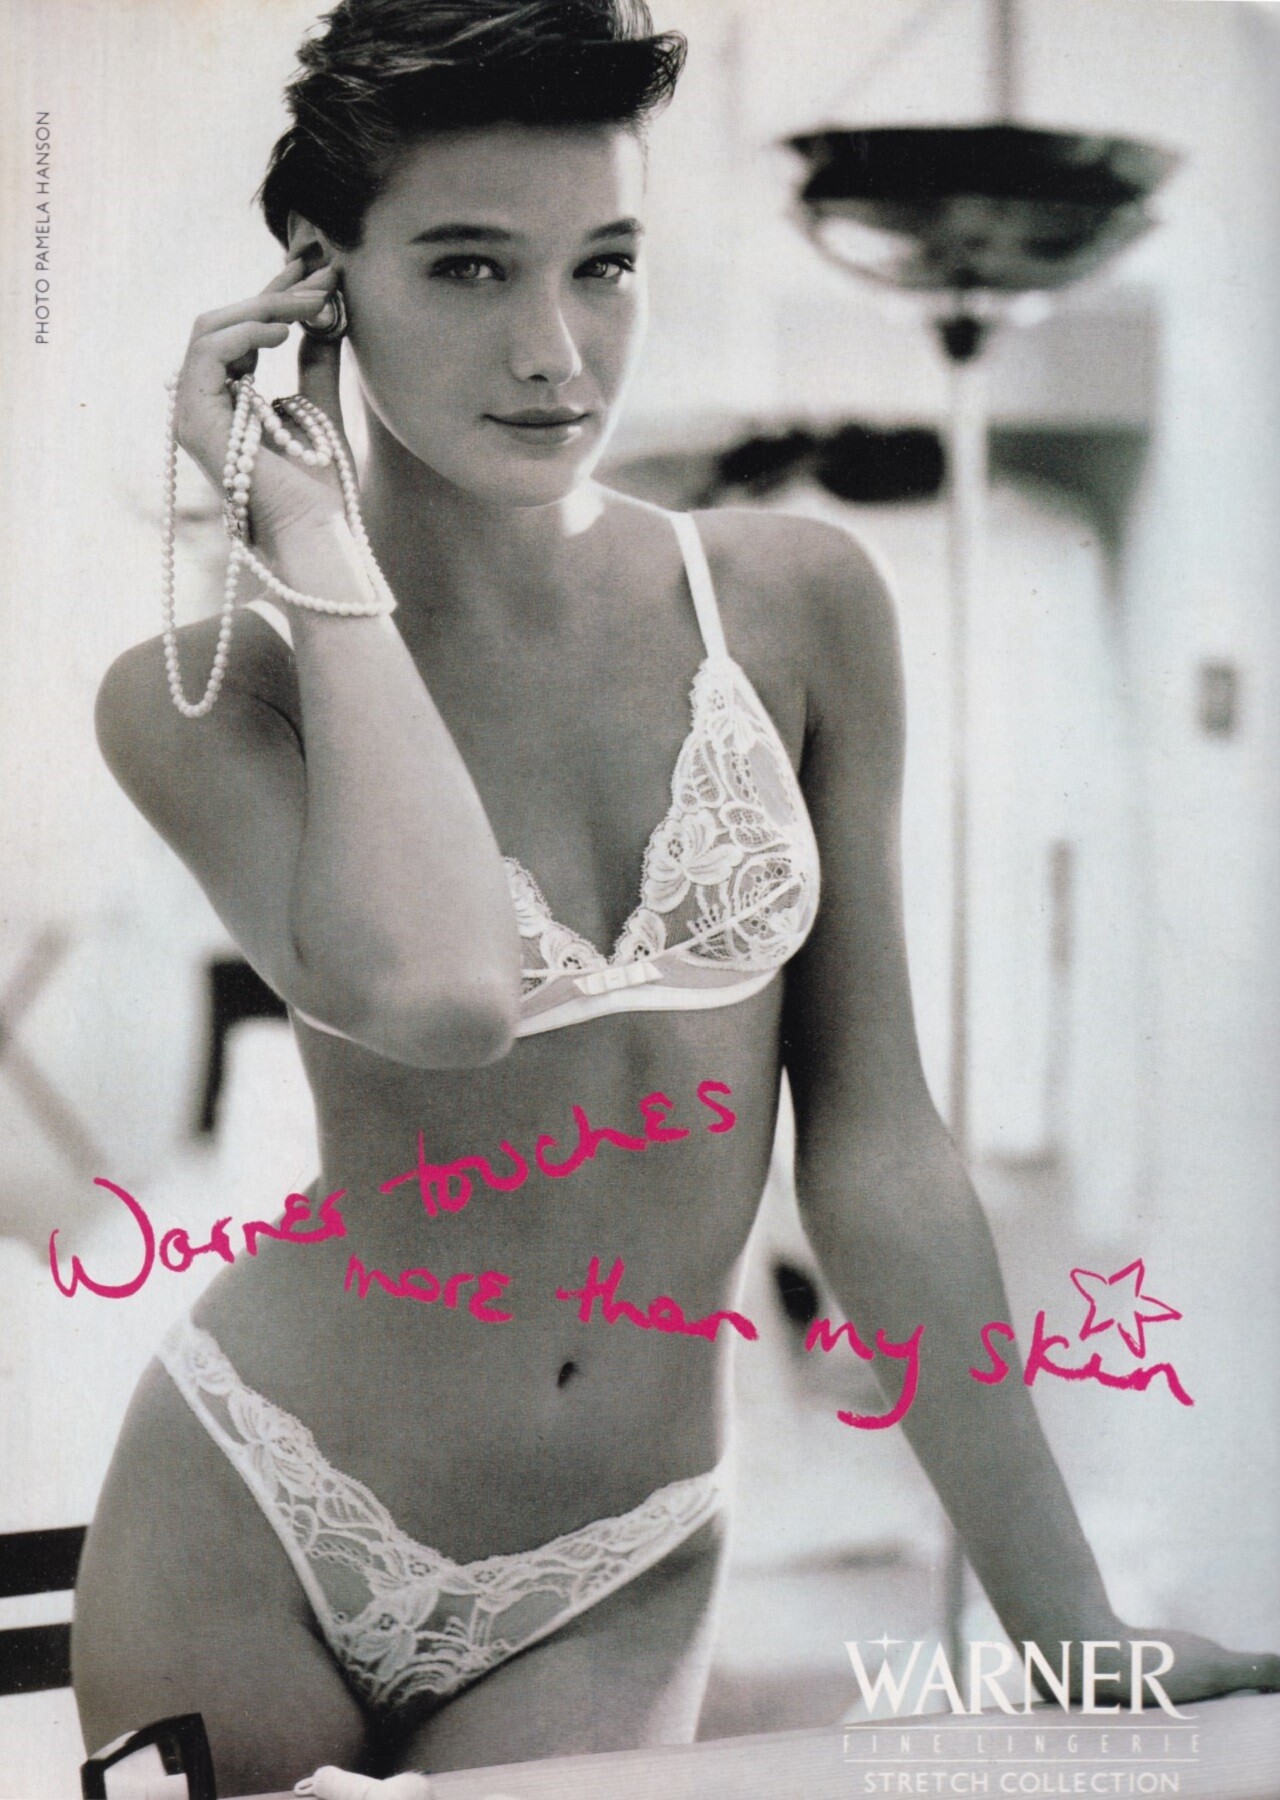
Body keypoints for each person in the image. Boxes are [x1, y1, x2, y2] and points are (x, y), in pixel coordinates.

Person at [71, 0, 1278, 1792]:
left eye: (606, 265)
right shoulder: (204, 696)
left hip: (621, 1562)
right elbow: (443, 995)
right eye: (470, 267)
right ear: (318, 284)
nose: (556, 352)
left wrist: (1069, 1625)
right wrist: (316, 540)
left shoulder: (794, 607)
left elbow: (878, 1152)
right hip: (257, 1510)